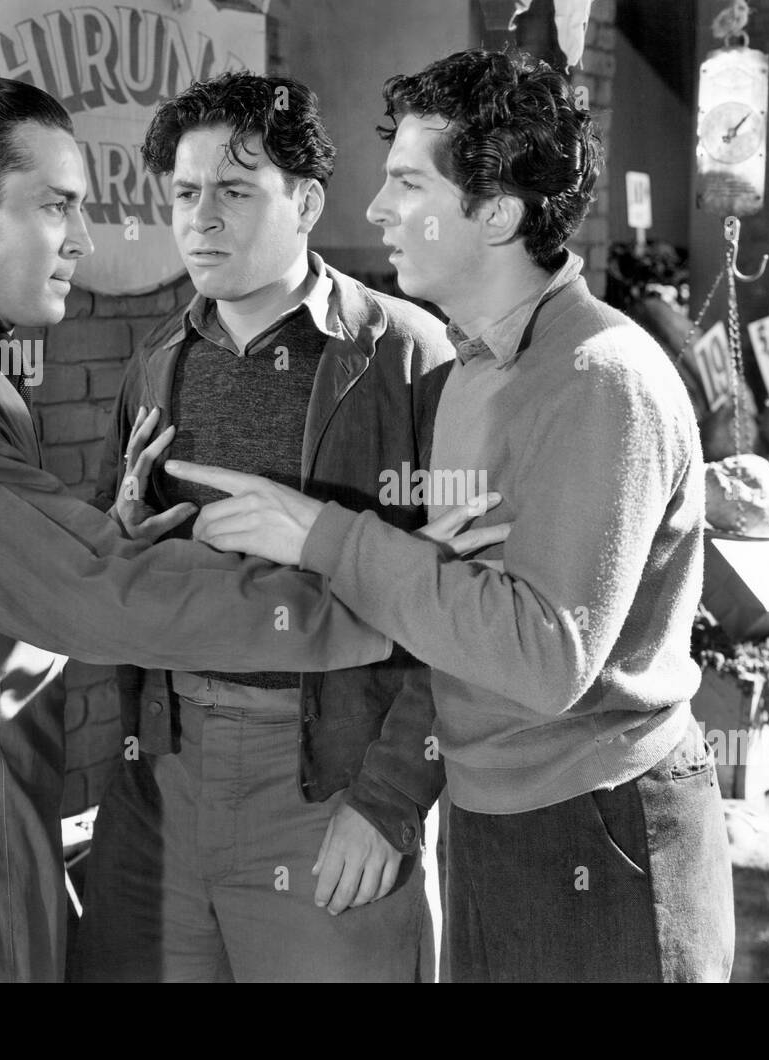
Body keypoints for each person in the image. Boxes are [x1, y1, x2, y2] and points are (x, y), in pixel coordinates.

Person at [0, 76, 408, 983]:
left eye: (233, 190)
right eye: (57, 208)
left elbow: (33, 569)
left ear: (306, 202)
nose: (84, 238)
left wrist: (98, 538)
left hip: (285, 784)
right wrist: (391, 596)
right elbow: (96, 594)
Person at [166, 48, 736, 983]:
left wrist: (324, 535)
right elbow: (452, 611)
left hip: (600, 825)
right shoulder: (473, 370)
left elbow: (544, 656)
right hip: (489, 819)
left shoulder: (600, 381)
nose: (377, 210)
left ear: (498, 212)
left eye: (407, 184)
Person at [71, 74, 486, 982]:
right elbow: (110, 566)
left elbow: (469, 602)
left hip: (327, 776)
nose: (201, 219)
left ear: (305, 201)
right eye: (185, 194)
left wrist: (391, 799)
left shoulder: (409, 356)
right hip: (164, 772)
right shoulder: (158, 357)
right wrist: (122, 533)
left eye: (234, 191)